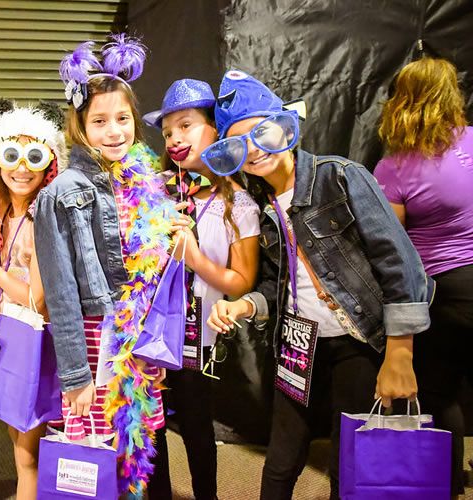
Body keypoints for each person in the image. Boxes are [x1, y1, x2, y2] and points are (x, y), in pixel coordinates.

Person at [205, 70, 433, 500]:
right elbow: (277, 283)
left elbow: (401, 263)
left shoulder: (340, 176)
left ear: (284, 127)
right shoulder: (263, 206)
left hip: (357, 342)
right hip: (300, 345)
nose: (253, 149)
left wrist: (400, 353)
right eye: (238, 143)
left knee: (350, 461)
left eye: (261, 132)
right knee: (280, 461)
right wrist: (244, 306)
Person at [33, 35, 181, 496]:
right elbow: (61, 294)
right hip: (96, 343)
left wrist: (154, 347)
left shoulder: (142, 180)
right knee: (93, 466)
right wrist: (76, 376)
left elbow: (148, 274)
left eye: (122, 119)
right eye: (99, 121)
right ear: (80, 125)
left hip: (135, 342)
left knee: (135, 454)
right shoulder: (62, 193)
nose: (114, 131)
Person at [142, 79, 260, 500]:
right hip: (149, 332)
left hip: (197, 338)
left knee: (195, 423)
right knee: (150, 424)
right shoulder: (153, 192)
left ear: (215, 129)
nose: (174, 139)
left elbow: (241, 281)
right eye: (167, 132)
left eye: (186, 126)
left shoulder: (238, 204)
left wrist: (195, 258)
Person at [374, 56, 473, 498]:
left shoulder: (394, 167)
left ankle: (446, 487)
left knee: (438, 393)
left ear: (401, 100)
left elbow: (392, 247)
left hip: (445, 290)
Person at [0, 98, 66, 499]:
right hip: (6, 334)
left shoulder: (43, 218)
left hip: (34, 342)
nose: (23, 168)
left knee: (27, 453)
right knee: (16, 438)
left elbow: (36, 299)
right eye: (12, 155)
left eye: (34, 156)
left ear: (50, 164)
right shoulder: (0, 217)